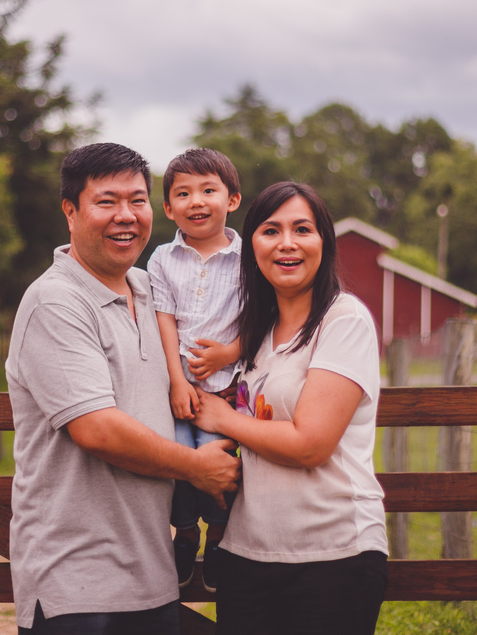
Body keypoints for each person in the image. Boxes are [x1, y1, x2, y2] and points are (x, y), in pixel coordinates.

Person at [5, 143, 241, 634]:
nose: (126, 217)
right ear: (70, 211)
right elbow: (97, 431)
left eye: (137, 200)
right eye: (106, 202)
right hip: (78, 581)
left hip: (150, 575)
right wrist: (198, 466)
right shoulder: (56, 302)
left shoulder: (151, 290)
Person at [191, 181, 388, 635]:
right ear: (252, 246)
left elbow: (310, 444)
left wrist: (223, 418)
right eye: (270, 230)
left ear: (324, 243)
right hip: (247, 553)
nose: (287, 244)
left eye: (303, 229)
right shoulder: (256, 334)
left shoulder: (344, 321)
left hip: (333, 554)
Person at [147, 147, 244, 592]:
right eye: (182, 194)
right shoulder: (162, 260)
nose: (196, 201)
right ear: (168, 208)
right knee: (179, 456)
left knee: (218, 455)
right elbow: (164, 319)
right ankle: (185, 534)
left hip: (226, 390)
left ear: (233, 199)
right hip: (179, 389)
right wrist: (175, 379)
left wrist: (227, 354)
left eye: (209, 190)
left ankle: (220, 537)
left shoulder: (248, 260)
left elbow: (262, 321)